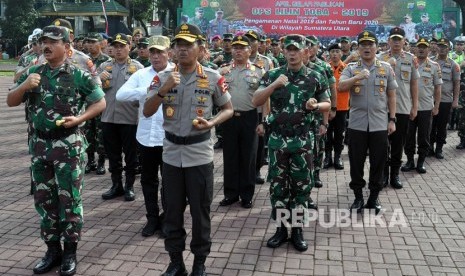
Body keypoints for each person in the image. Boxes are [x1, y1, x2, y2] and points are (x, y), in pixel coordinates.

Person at [6, 25, 106, 276]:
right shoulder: (33, 72)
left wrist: (81, 118)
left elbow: (100, 101)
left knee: (70, 200)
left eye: (52, 41)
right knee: (44, 199)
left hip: (68, 146)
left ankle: (70, 253)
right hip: (40, 146)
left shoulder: (78, 75)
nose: (46, 46)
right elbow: (11, 100)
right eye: (44, 41)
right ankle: (52, 251)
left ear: (66, 46)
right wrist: (24, 86)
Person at [143, 23, 233, 276]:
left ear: (201, 49)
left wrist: (212, 122)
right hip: (171, 154)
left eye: (188, 46)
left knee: (200, 212)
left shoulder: (214, 78)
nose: (182, 50)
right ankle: (175, 262)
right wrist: (163, 90)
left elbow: (228, 109)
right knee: (172, 211)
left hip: (199, 154)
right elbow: (147, 111)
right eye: (178, 46)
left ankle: (199, 263)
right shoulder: (162, 78)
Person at [252, 34, 330, 252]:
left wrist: (316, 106)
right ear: (283, 51)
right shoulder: (273, 75)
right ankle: (280, 229)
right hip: (278, 141)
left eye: (297, 49)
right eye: (289, 49)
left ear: (305, 51)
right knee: (278, 187)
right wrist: (274, 86)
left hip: (303, 141)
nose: (293, 53)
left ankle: (297, 230)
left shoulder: (315, 76)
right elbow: (256, 100)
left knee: (301, 187)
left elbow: (328, 104)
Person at [116, 35, 172, 237]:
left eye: (160, 52)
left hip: (169, 138)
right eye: (153, 52)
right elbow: (120, 95)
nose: (156, 56)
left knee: (169, 182)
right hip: (146, 137)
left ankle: (168, 219)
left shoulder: (177, 73)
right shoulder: (141, 74)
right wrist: (150, 90)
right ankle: (152, 218)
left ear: (169, 53)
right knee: (148, 181)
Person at [339, 30, 398, 214]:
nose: (366, 48)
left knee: (378, 161)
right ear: (358, 48)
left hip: (380, 123)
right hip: (357, 124)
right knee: (356, 162)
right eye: (363, 44)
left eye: (370, 44)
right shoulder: (351, 68)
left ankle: (374, 197)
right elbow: (340, 87)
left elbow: (391, 94)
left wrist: (392, 119)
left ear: (376, 47)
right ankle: (358, 196)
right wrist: (357, 77)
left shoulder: (386, 68)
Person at [218, 35, 265, 209]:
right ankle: (230, 194)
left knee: (249, 157)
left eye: (242, 47)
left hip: (250, 117)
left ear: (250, 50)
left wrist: (263, 121)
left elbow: (266, 99)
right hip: (228, 117)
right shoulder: (223, 71)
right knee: (229, 156)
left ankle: (247, 195)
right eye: (235, 47)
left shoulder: (258, 71)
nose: (238, 50)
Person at [98, 33, 144, 201]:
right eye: (115, 46)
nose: (118, 50)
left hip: (130, 118)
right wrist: (97, 78)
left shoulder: (138, 68)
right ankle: (116, 184)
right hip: (108, 117)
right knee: (113, 154)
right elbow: (93, 90)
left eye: (121, 46)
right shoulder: (104, 66)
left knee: (131, 155)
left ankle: (129, 186)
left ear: (129, 47)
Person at [378, 27, 419, 189]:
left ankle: (394, 174)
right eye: (393, 39)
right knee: (381, 144)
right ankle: (382, 175)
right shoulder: (380, 57)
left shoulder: (411, 59)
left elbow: (414, 84)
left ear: (404, 41)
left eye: (399, 39)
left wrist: (415, 107)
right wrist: (387, 64)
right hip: (382, 108)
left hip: (402, 108)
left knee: (397, 144)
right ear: (389, 41)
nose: (396, 42)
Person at [401, 38, 442, 174]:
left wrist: (436, 106)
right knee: (409, 136)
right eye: (419, 47)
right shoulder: (409, 62)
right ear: (415, 48)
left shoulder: (434, 66)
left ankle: (421, 162)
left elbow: (437, 88)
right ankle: (410, 161)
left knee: (424, 136)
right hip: (409, 106)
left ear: (429, 49)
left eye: (424, 47)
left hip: (426, 107)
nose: (421, 49)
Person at [83, 32, 111, 175]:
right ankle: (90, 161)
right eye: (88, 42)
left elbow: (110, 82)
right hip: (87, 103)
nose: (89, 45)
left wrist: (98, 80)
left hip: (101, 103)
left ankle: (101, 162)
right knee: (88, 133)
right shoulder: (83, 60)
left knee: (101, 134)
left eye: (93, 42)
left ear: (101, 43)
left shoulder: (107, 61)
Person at [430, 38, 460, 159]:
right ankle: (429, 147)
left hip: (445, 100)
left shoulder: (454, 64)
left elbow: (456, 84)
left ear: (449, 48)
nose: (442, 48)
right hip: (430, 100)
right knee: (430, 126)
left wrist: (456, 100)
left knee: (442, 126)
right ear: (436, 47)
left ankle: (439, 149)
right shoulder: (430, 62)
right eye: (440, 46)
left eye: (444, 46)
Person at [325, 42, 349, 170]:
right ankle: (327, 157)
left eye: (337, 52)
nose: (334, 54)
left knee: (340, 133)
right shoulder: (325, 68)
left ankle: (337, 157)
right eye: (332, 51)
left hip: (342, 106)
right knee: (327, 133)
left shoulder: (346, 68)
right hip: (327, 106)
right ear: (329, 54)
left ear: (342, 53)